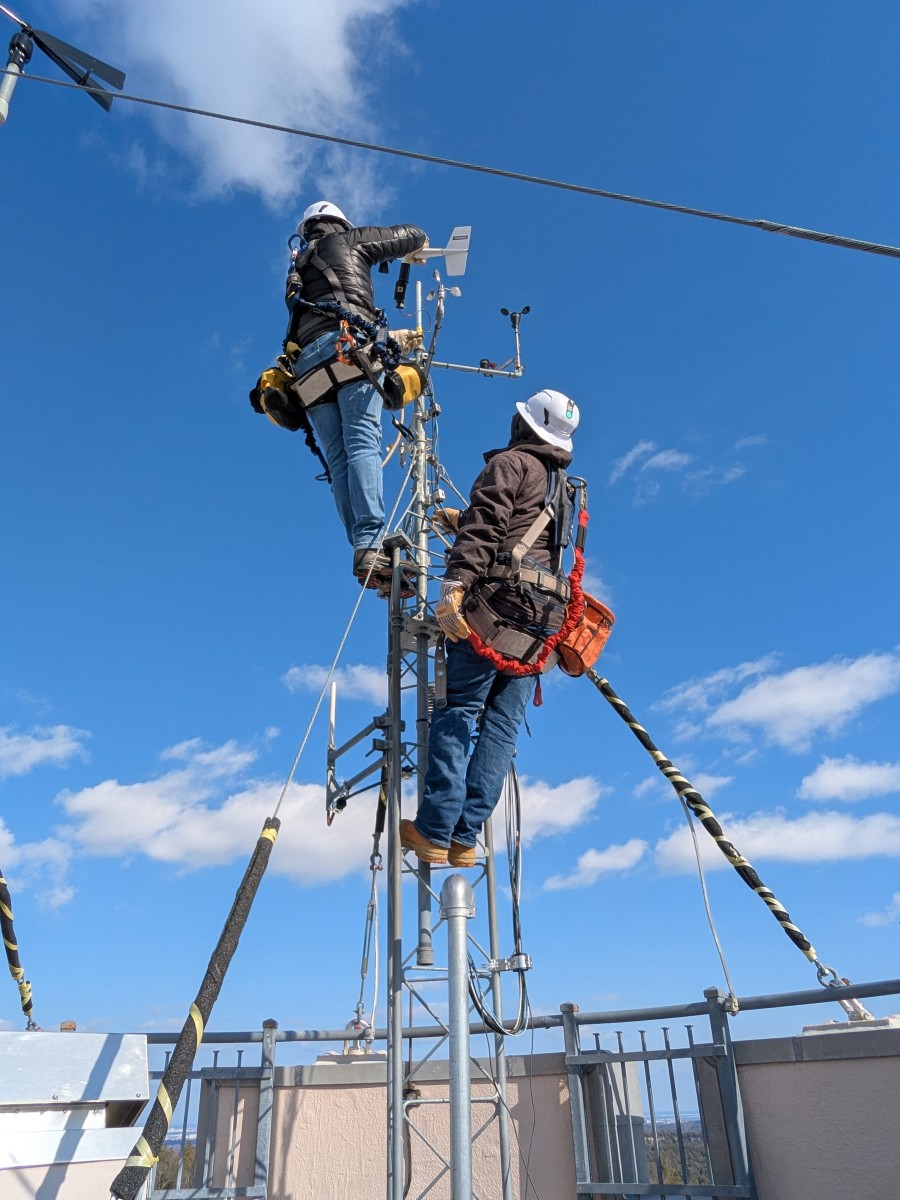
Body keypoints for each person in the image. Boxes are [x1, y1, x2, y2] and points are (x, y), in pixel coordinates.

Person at [400, 389, 580, 867]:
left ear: (524, 426)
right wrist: (464, 519)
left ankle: (434, 829)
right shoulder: (567, 487)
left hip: (496, 610)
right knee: (500, 729)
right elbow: (530, 537)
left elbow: (487, 530)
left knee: (459, 712)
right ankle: (463, 837)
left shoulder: (511, 464)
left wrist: (454, 584)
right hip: (542, 623)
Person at [286, 201, 428, 586]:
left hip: (307, 368)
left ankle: (365, 547)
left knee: (339, 457)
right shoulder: (349, 241)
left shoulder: (298, 267)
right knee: (362, 441)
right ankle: (371, 542)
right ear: (338, 224)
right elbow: (410, 234)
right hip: (345, 346)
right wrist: (416, 248)